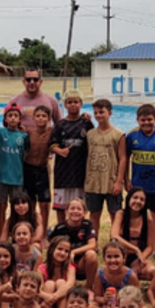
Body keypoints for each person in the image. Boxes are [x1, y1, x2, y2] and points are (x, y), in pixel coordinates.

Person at [124, 103, 155, 250]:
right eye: (143, 120)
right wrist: (126, 179)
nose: (146, 123)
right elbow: (126, 157)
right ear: (137, 120)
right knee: (136, 214)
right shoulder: (132, 135)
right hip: (138, 185)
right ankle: (139, 242)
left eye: (149, 119)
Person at [49, 89, 93, 223]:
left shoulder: (86, 123)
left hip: (80, 171)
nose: (73, 105)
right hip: (63, 172)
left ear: (81, 104)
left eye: (76, 102)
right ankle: (62, 228)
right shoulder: (60, 125)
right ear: (65, 105)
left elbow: (92, 142)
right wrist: (60, 151)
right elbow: (51, 144)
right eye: (69, 102)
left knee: (80, 205)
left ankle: (80, 228)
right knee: (61, 206)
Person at [84, 98, 125, 233]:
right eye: (96, 113)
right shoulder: (90, 134)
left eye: (102, 112)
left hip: (111, 180)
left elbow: (123, 158)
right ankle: (93, 242)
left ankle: (115, 241)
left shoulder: (118, 134)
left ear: (110, 113)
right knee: (94, 213)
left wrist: (119, 181)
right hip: (94, 181)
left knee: (115, 214)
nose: (99, 116)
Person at [0, 103, 29, 236]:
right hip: (1, 176)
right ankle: (2, 231)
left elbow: (27, 153)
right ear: (5, 119)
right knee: (2, 206)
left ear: (20, 119)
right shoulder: (0, 133)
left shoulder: (24, 136)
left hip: (17, 177)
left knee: (18, 207)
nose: (13, 118)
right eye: (10, 116)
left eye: (16, 116)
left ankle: (16, 230)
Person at [110, 188, 155, 280]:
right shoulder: (120, 214)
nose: (138, 201)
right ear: (129, 199)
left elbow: (150, 246)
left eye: (142, 199)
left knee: (153, 271)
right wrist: (135, 249)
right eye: (135, 198)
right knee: (129, 275)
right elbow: (114, 235)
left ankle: (151, 292)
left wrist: (140, 259)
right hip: (121, 255)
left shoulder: (148, 219)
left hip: (139, 257)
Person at [48, 198, 98, 284]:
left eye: (79, 209)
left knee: (91, 254)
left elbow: (92, 245)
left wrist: (73, 252)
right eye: (72, 208)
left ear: (84, 213)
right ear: (66, 211)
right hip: (64, 263)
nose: (75, 211)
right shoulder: (60, 228)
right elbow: (51, 247)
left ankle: (89, 287)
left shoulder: (87, 225)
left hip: (81, 263)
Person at [88, 240, 139, 308]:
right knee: (89, 307)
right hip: (106, 307)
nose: (113, 260)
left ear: (124, 258)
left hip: (124, 307)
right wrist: (104, 299)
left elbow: (137, 298)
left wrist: (121, 305)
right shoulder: (100, 274)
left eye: (116, 256)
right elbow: (97, 297)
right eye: (109, 257)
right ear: (104, 258)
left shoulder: (130, 275)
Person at [23, 105, 53, 234]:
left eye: (44, 116)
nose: (41, 119)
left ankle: (44, 230)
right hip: (28, 169)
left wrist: (85, 118)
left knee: (44, 203)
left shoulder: (52, 132)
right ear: (33, 118)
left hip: (42, 169)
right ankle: (31, 227)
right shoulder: (28, 132)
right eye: (38, 116)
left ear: (49, 118)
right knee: (30, 202)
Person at [9, 67, 62, 132]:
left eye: (35, 79)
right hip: (21, 140)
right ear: (23, 82)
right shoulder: (14, 101)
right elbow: (7, 124)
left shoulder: (52, 101)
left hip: (44, 141)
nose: (32, 82)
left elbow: (60, 124)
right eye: (28, 80)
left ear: (40, 82)